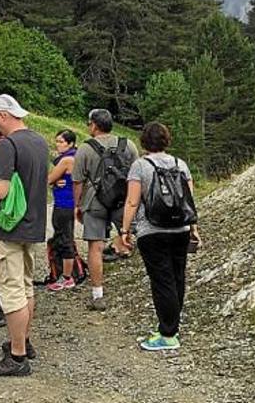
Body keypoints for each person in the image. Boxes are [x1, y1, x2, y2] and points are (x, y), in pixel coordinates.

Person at [0, 94, 49, 377]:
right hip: (32, 225)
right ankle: (24, 340)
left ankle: (17, 357)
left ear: (4, 115)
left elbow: (3, 190)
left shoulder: (7, 145)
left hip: (7, 228)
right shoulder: (39, 141)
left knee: (10, 293)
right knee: (26, 287)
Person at [116, 122, 200, 351]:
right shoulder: (180, 164)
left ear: (144, 141)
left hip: (152, 230)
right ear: (166, 140)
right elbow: (188, 200)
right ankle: (171, 326)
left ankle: (167, 333)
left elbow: (132, 201)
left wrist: (125, 231)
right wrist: (193, 227)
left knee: (161, 281)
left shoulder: (140, 166)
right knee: (177, 277)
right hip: (180, 229)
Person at [72, 109, 139, 311]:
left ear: (94, 125)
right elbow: (136, 173)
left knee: (95, 247)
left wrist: (78, 205)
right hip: (122, 200)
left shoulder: (85, 149)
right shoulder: (128, 144)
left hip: (95, 202)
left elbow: (77, 180)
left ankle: (98, 294)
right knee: (131, 233)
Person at [45, 130, 78, 291]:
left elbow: (49, 178)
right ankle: (64, 273)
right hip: (67, 203)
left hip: (64, 204)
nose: (57, 145)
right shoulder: (76, 157)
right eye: (56, 141)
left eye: (61, 142)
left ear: (70, 143)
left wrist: (53, 181)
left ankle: (66, 277)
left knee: (64, 238)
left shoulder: (66, 160)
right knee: (64, 237)